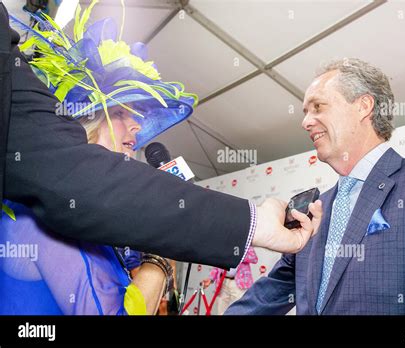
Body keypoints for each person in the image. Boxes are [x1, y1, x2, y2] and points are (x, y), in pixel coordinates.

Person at [0, 1, 322, 272]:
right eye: (122, 113)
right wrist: (161, 262)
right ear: (87, 118)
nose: (137, 127)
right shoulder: (42, 220)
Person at [226, 58, 405, 315]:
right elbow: (266, 297)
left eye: (318, 107)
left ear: (363, 106)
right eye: (305, 112)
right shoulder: (314, 211)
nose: (306, 122)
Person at [1, 104, 172, 315]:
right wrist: (163, 251)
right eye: (119, 113)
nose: (137, 125)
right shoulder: (52, 204)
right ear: (84, 126)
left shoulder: (85, 206)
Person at [202, 246, 258, 314]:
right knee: (221, 311)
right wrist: (210, 279)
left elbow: (254, 258)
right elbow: (217, 265)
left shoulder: (244, 243)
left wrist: (237, 252)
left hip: (238, 283)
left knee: (240, 310)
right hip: (223, 282)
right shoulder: (223, 244)